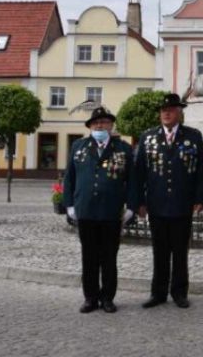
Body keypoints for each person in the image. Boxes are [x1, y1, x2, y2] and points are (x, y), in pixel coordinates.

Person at [132, 93, 203, 309]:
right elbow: (139, 172)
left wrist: (200, 198)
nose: (166, 113)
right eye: (163, 110)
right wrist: (139, 202)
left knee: (180, 252)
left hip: (182, 203)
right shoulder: (148, 137)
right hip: (156, 203)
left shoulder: (193, 136)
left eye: (171, 110)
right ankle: (158, 293)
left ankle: (179, 292)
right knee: (159, 251)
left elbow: (201, 169)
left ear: (179, 113)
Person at [63, 106, 134, 314]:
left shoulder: (123, 148)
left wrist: (131, 206)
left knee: (109, 258)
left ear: (111, 125)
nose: (100, 126)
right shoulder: (79, 146)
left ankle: (108, 298)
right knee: (89, 257)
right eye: (96, 123)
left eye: (104, 122)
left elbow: (133, 180)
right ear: (90, 127)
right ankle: (90, 298)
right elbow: (69, 177)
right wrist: (69, 205)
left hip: (111, 211)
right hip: (86, 210)